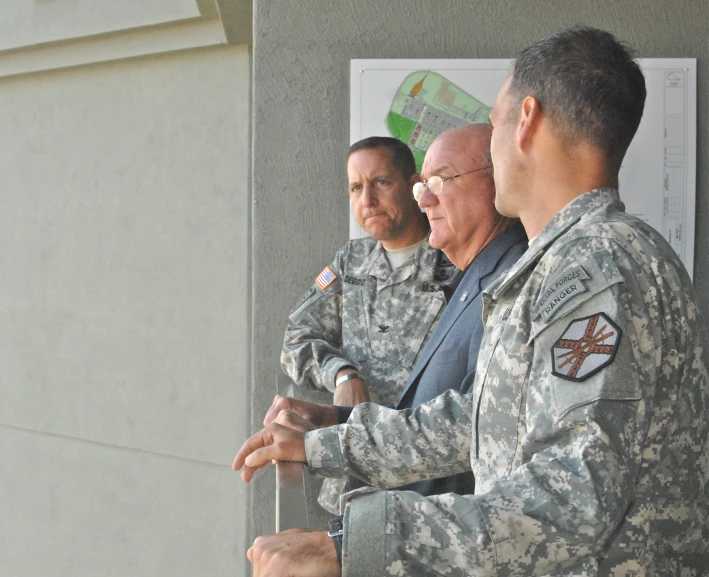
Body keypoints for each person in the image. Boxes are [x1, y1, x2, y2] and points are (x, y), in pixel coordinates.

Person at [235, 26, 709, 577]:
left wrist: (350, 545)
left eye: (495, 123)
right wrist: (326, 446)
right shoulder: (562, 264)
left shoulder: (597, 265)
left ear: (526, 120)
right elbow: (479, 421)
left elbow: (572, 494)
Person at [333, 123, 527, 502]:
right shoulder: (478, 277)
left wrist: (324, 444)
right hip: (400, 499)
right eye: (425, 187)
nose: (425, 201)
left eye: (441, 181)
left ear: (496, 182)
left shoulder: (509, 280)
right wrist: (333, 415)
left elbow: (472, 424)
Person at [282, 136, 457, 512]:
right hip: (353, 478)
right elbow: (297, 337)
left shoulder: (454, 263)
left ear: (414, 186)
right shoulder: (350, 262)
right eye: (356, 188)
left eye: (381, 183)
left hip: (430, 488)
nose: (367, 200)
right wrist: (342, 374)